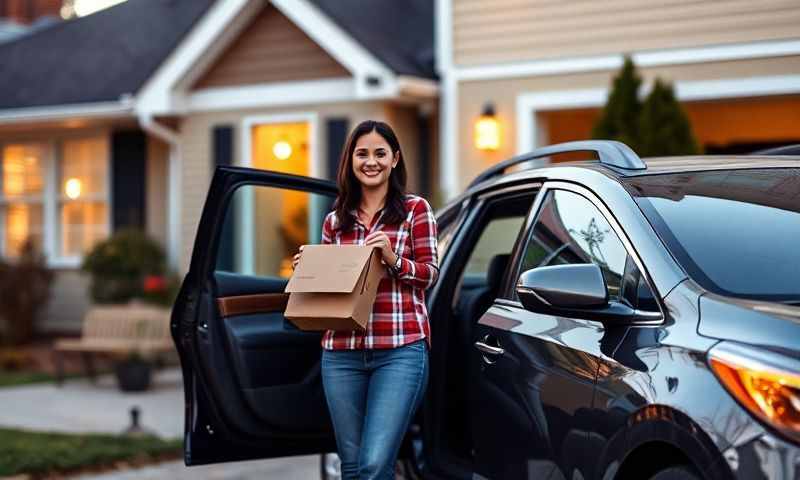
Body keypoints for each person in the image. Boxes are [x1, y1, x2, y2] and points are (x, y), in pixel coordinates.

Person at [292, 120, 438, 479]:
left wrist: (392, 259)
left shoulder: (415, 211)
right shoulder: (335, 220)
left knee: (375, 463)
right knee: (353, 466)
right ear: (350, 160)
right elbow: (327, 292)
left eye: (379, 153)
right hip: (341, 354)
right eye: (362, 153)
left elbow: (430, 274)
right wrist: (307, 269)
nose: (370, 161)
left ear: (394, 159)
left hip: (400, 350)